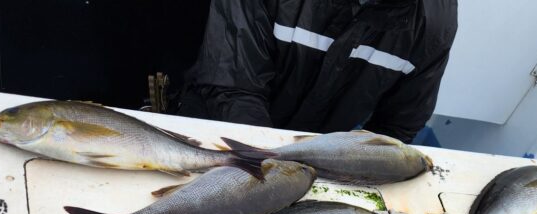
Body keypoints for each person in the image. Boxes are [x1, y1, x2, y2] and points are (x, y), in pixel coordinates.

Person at [178, 0, 458, 143]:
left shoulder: (433, 23)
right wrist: (273, 168)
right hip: (219, 133)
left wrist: (343, 172)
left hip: (313, 161)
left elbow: (397, 127)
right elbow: (233, 85)